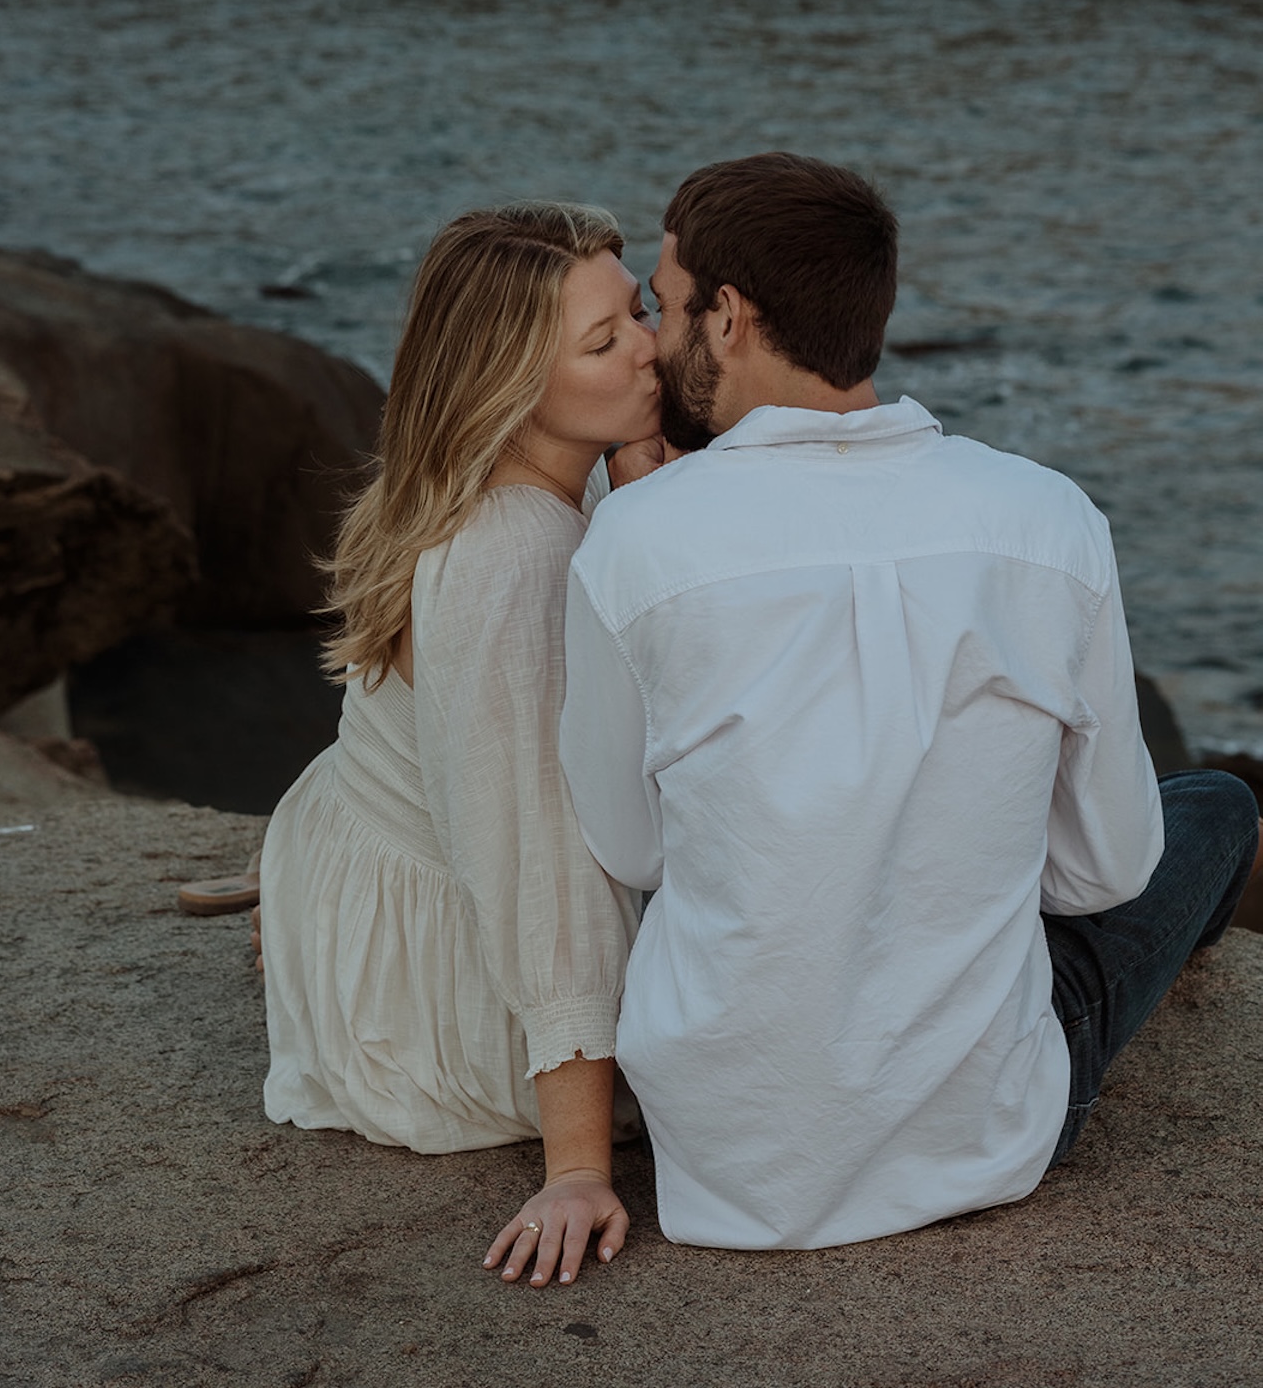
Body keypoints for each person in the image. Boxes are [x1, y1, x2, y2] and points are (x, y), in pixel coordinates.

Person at [558, 152, 1262, 1251]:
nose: (653, 336)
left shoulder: (634, 541)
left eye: (669, 303)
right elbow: (1101, 873)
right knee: (1212, 808)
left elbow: (633, 850)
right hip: (982, 1130)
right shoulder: (1046, 518)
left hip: (730, 1154)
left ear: (730, 318)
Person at [258, 201, 662, 1286]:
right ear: (510, 388)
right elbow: (537, 858)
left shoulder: (469, 482)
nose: (651, 346)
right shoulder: (514, 563)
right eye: (603, 340)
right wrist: (576, 1163)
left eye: (641, 310)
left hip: (368, 858)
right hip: (452, 1002)